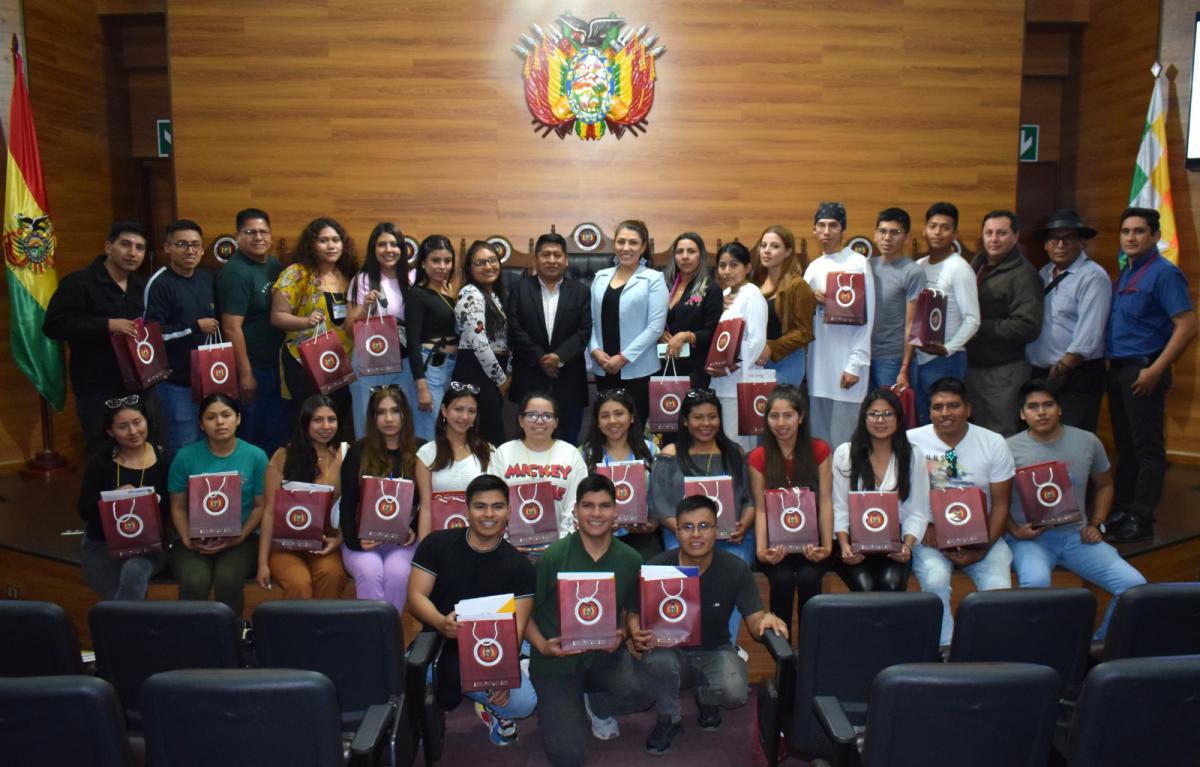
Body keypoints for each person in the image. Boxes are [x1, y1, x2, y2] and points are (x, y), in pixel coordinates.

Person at [631, 495, 789, 755]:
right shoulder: (656, 566)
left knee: (735, 692)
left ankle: (705, 698)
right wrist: (636, 630)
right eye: (687, 527)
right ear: (677, 531)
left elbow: (754, 620)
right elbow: (633, 613)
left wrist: (767, 618)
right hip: (669, 649)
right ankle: (668, 719)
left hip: (715, 649)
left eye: (704, 526)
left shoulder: (736, 568)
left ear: (716, 530)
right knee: (658, 662)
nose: (696, 534)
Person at [525, 475, 655, 767]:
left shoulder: (631, 558)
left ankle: (593, 703)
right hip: (556, 661)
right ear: (575, 511)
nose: (596, 514)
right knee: (568, 756)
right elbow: (525, 613)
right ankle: (564, 701)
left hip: (602, 656)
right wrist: (542, 647)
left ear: (616, 511)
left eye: (604, 506)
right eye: (588, 506)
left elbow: (630, 610)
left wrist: (622, 635)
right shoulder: (553, 556)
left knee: (647, 693)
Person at [1006, 380, 1145, 638]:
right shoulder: (1006, 448)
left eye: (1048, 404)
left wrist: (1097, 523)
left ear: (1059, 409)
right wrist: (1015, 531)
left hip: (1076, 536)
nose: (1042, 412)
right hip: (1030, 540)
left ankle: (1098, 647)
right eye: (1033, 407)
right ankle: (1037, 653)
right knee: (1035, 585)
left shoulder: (1087, 441)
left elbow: (1104, 485)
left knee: (1134, 586)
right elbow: (996, 501)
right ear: (1022, 414)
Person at [407, 474, 538, 746]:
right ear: (467, 510)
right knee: (416, 678)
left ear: (509, 512)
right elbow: (415, 597)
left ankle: (487, 697)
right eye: (480, 506)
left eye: (497, 506)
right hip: (439, 641)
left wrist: (503, 676)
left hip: (490, 651)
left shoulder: (521, 566)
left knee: (524, 704)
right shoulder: (436, 544)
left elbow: (517, 627)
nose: (489, 514)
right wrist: (442, 623)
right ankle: (459, 688)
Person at [1104, 207, 1197, 544]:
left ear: (1156, 236)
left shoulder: (1164, 273)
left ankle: (1142, 518)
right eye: (1126, 231)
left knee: (1147, 449)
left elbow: (1187, 326)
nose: (1131, 237)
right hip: (1120, 370)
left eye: (1139, 231)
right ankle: (1124, 510)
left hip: (1145, 369)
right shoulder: (1127, 272)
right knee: (1126, 447)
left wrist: (1156, 369)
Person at [907, 377, 1014, 645]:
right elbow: (901, 495)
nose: (945, 413)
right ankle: (947, 647)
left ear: (968, 408)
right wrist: (923, 528)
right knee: (934, 581)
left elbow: (1001, 503)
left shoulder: (993, 442)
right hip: (930, 536)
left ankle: (985, 649)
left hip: (984, 534)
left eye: (953, 406)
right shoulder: (911, 441)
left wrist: (983, 546)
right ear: (929, 411)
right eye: (938, 407)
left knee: (999, 589)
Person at [44, 221, 160, 456]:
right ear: (109, 247)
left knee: (142, 452)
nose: (132, 253)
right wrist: (106, 324)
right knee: (104, 455)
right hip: (98, 387)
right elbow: (54, 326)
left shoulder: (141, 286)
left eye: (139, 248)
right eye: (125, 245)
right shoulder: (80, 282)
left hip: (139, 385)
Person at [650, 388, 755, 644]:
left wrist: (744, 523)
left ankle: (725, 644)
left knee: (735, 567)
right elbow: (660, 506)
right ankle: (684, 640)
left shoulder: (735, 453)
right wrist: (690, 531)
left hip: (732, 537)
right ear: (685, 421)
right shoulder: (669, 456)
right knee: (686, 566)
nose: (706, 424)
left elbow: (748, 500)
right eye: (698, 417)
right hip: (682, 534)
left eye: (712, 417)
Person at [167, 393, 269, 616]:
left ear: (238, 419)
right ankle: (194, 643)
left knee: (228, 579)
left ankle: (230, 641)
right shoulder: (185, 457)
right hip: (194, 539)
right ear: (201, 425)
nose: (220, 422)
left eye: (226, 415)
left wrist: (240, 536)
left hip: (243, 538)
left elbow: (261, 505)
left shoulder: (256, 456)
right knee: (194, 581)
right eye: (211, 417)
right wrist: (187, 538)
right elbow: (177, 506)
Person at [749, 385, 834, 638]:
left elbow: (827, 502)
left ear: (802, 416)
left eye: (788, 415)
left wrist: (827, 547)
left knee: (809, 580)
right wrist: (762, 552)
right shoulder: (758, 457)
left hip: (813, 543)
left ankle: (811, 650)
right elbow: (761, 509)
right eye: (774, 416)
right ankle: (782, 660)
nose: (781, 423)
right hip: (777, 546)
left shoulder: (819, 450)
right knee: (782, 581)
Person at [832, 388, 926, 591]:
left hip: (894, 543)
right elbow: (839, 507)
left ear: (899, 418)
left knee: (891, 585)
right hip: (853, 543)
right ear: (863, 418)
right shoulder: (845, 453)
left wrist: (906, 546)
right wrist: (844, 546)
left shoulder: (913, 455)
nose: (880, 420)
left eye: (888, 414)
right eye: (873, 414)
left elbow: (917, 510)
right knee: (865, 587)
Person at [271, 217, 357, 439]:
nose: (331, 246)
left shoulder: (348, 276)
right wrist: (305, 321)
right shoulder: (298, 273)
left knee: (335, 424)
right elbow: (277, 317)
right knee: (308, 423)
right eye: (324, 240)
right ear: (311, 244)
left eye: (336, 240)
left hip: (340, 364)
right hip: (304, 363)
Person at [255, 394, 348, 600]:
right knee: (299, 584)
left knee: (331, 575)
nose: (326, 426)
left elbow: (351, 505)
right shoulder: (283, 456)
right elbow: (270, 511)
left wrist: (339, 539)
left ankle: (323, 630)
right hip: (285, 543)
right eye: (317, 420)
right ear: (305, 422)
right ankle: (297, 632)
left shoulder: (345, 455)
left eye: (331, 419)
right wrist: (261, 563)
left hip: (324, 540)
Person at [76, 398, 171, 600]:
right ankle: (127, 625)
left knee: (134, 571)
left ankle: (122, 627)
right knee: (117, 594)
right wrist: (113, 497)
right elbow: (84, 510)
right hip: (103, 545)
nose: (133, 431)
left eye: (137, 422)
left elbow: (175, 508)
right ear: (110, 432)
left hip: (148, 546)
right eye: (122, 426)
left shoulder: (165, 460)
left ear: (147, 421)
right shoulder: (101, 463)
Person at [1026, 209, 1111, 432]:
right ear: (1045, 244)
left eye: (1068, 238)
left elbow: (1090, 333)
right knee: (1046, 438)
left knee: (1074, 440)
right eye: (1054, 238)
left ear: (1081, 242)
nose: (1060, 245)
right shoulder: (1044, 273)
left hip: (1076, 375)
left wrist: (1062, 368)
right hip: (1043, 374)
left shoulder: (1093, 276)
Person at [339, 386, 420, 612]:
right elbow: (347, 505)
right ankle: (371, 641)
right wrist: (355, 541)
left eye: (395, 411)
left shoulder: (420, 451)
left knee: (397, 574)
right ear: (373, 418)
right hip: (362, 539)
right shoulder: (358, 452)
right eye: (381, 412)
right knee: (369, 571)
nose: (388, 419)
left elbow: (426, 502)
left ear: (405, 414)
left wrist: (412, 529)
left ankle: (388, 638)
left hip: (402, 542)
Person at [216, 208, 289, 455]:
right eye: (250, 232)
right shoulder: (235, 272)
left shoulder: (273, 265)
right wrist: (245, 374)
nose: (258, 237)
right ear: (237, 236)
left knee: (277, 435)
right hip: (253, 368)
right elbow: (231, 327)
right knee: (253, 438)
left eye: (263, 231)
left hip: (276, 366)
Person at [508, 233, 593, 445]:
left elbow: (584, 331)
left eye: (557, 255)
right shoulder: (520, 288)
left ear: (566, 260)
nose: (552, 260)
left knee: (569, 441)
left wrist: (559, 357)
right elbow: (514, 328)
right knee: (528, 442)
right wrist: (542, 359)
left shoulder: (580, 291)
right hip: (530, 377)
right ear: (536, 259)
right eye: (546, 254)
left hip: (569, 381)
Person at [803, 202, 875, 448]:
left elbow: (868, 318)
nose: (826, 231)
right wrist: (811, 300)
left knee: (844, 446)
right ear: (814, 230)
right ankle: (824, 488)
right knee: (821, 445)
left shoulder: (857, 263)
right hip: (818, 368)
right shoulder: (813, 268)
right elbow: (801, 317)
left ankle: (845, 489)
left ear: (843, 230)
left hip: (847, 368)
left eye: (833, 225)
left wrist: (856, 364)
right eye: (821, 226)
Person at [966, 211, 1043, 436]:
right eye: (989, 233)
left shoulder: (1024, 274)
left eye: (1002, 233)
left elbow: (1027, 325)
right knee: (977, 435)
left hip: (1004, 372)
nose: (994, 239)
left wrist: (977, 326)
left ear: (1016, 236)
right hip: (973, 366)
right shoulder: (977, 264)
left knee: (1001, 436)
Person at [144, 219, 217, 451]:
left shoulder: (206, 278)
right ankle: (180, 489)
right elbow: (151, 337)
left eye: (195, 245)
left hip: (208, 377)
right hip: (176, 383)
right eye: (182, 244)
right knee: (183, 444)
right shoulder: (159, 283)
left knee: (209, 443)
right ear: (167, 248)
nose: (190, 251)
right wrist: (194, 327)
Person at [588, 219, 669, 423]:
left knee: (635, 427)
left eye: (633, 243)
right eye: (621, 241)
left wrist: (623, 358)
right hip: (603, 366)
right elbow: (589, 320)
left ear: (643, 247)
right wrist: (595, 350)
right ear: (614, 244)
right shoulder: (600, 277)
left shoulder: (654, 279)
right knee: (607, 425)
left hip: (638, 368)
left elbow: (655, 327)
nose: (626, 248)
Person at [346, 222, 417, 440]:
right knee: (366, 420)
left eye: (394, 244)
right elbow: (349, 329)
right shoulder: (362, 279)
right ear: (373, 249)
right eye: (381, 244)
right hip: (369, 359)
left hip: (405, 361)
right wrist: (365, 308)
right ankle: (367, 472)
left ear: (402, 249)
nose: (388, 250)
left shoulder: (414, 278)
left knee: (403, 420)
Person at [914, 202, 980, 423]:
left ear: (955, 233)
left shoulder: (960, 269)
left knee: (947, 424)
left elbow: (973, 319)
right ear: (924, 229)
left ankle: (949, 461)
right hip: (919, 358)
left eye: (945, 227)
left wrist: (948, 349)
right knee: (923, 423)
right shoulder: (919, 266)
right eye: (933, 226)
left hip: (946, 361)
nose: (938, 232)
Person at [493, 392, 589, 540]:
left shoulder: (570, 453)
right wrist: (507, 543)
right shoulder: (503, 453)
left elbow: (576, 503)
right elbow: (494, 501)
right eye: (532, 415)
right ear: (520, 420)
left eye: (547, 416)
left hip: (561, 546)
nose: (539, 421)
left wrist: (560, 545)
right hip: (511, 545)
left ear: (556, 422)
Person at [579, 388, 661, 559]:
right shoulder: (584, 454)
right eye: (605, 416)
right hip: (596, 535)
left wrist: (652, 524)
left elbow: (660, 497)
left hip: (641, 534)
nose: (612, 421)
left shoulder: (651, 450)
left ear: (631, 417)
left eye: (619, 414)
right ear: (597, 422)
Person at [414, 381, 499, 539]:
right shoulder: (426, 454)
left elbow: (496, 504)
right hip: (440, 541)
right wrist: (424, 552)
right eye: (458, 409)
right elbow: (425, 508)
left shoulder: (489, 451)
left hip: (481, 540)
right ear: (444, 411)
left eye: (471, 411)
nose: (465, 417)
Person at [706, 242, 768, 450]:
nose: (727, 271)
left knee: (738, 446)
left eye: (734, 265)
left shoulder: (752, 294)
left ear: (748, 268)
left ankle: (742, 485)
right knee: (725, 444)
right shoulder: (724, 295)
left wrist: (728, 366)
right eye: (722, 266)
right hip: (721, 383)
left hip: (741, 383)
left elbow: (756, 341)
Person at [454, 241, 511, 446]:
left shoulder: (497, 295)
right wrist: (501, 379)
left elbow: (506, 340)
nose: (488, 266)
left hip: (492, 370)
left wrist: (508, 372)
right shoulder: (471, 293)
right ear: (470, 269)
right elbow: (479, 343)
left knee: (491, 432)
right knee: (486, 435)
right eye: (480, 262)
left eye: (492, 260)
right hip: (476, 370)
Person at [405, 235, 459, 441]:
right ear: (423, 263)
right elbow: (412, 342)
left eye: (447, 260)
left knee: (446, 432)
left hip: (451, 367)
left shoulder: (448, 291)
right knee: (430, 434)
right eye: (435, 260)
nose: (442, 266)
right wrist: (422, 387)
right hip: (430, 369)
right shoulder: (417, 294)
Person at [751, 225, 815, 389]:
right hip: (755, 360)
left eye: (775, 246)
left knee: (780, 412)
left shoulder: (798, 285)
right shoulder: (755, 284)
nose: (766, 250)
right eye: (763, 245)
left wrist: (771, 348)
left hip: (786, 362)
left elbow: (805, 332)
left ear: (787, 252)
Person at [868, 208, 924, 391]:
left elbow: (913, 325)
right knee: (867, 416)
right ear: (875, 235)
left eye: (895, 232)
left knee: (894, 415)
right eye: (882, 231)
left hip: (894, 358)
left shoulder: (912, 272)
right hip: (865, 356)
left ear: (906, 238)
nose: (887, 237)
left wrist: (904, 368)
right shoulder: (867, 266)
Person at [660, 232, 722, 389]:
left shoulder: (711, 288)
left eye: (691, 251)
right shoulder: (664, 285)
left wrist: (686, 336)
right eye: (679, 252)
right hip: (663, 363)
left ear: (701, 256)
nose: (685, 256)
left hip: (694, 368)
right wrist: (658, 333)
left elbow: (713, 333)